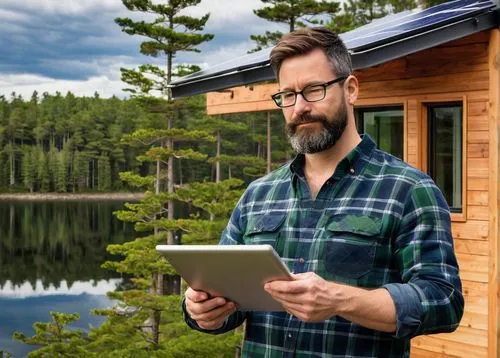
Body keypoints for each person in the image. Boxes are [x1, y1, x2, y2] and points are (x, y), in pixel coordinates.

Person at [182, 27, 464, 357]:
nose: (299, 107)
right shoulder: (258, 195)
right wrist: (202, 311)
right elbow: (230, 299)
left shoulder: (409, 190)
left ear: (351, 89)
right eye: (287, 95)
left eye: (313, 90)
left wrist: (339, 300)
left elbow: (443, 300)